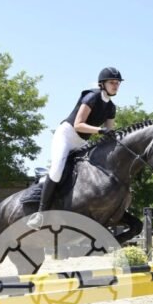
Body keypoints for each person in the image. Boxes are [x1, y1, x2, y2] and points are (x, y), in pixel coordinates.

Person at [27, 67, 123, 230]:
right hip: (66, 135)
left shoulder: (111, 107)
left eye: (118, 83)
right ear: (102, 84)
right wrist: (100, 131)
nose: (116, 86)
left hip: (82, 141)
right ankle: (40, 214)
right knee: (57, 170)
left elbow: (109, 133)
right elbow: (78, 125)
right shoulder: (91, 97)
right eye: (112, 82)